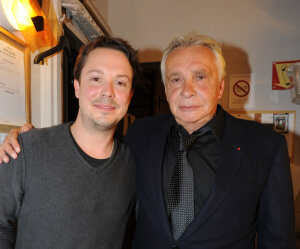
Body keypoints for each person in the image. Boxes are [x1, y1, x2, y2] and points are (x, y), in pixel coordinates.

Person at [0, 33, 296, 248]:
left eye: (200, 77)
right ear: (166, 89)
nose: (187, 90)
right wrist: (23, 142)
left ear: (220, 87)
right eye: (176, 79)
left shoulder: (265, 147)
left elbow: (278, 240)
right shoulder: (141, 137)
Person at [0, 36, 139, 248]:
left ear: (129, 96)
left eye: (120, 82)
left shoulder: (135, 165)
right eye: (95, 79)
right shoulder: (25, 149)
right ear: (76, 86)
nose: (108, 92)